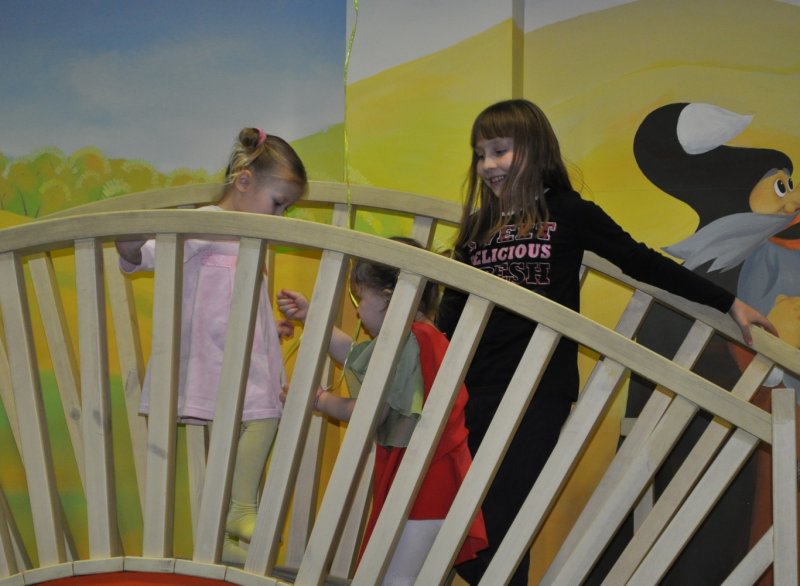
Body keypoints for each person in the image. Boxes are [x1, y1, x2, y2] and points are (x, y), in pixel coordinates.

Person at [435, 99, 778, 586]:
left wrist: (727, 302)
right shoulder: (477, 227)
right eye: (480, 155)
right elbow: (451, 312)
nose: (488, 165)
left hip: (538, 391)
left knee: (502, 520)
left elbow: (641, 260)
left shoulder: (568, 212)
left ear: (534, 150)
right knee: (464, 520)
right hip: (475, 389)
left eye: (500, 151)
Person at [116, 127, 307, 564]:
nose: (280, 217)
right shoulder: (206, 223)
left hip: (244, 359)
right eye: (278, 203)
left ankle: (224, 535)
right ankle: (240, 510)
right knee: (264, 416)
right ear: (244, 182)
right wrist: (130, 240)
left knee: (256, 423)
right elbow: (144, 256)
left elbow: (234, 300)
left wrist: (268, 327)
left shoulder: (251, 238)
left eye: (287, 208)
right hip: (212, 361)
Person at [277, 238, 488, 586]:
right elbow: (358, 356)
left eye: (360, 300)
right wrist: (312, 316)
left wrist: (320, 401)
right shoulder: (424, 338)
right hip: (439, 488)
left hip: (425, 492)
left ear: (391, 297)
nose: (358, 312)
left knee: (394, 580)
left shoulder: (410, 342)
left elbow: (372, 411)